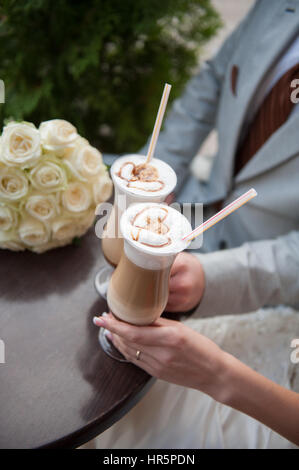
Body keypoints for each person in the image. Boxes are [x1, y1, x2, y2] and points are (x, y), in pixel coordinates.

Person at [92, 0, 299, 448]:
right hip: (197, 203)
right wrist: (159, 177)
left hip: (264, 265)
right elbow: (212, 82)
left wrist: (212, 280)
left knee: (115, 428)